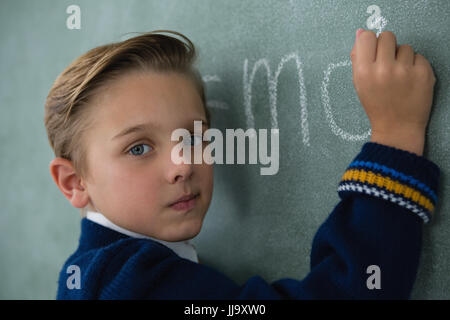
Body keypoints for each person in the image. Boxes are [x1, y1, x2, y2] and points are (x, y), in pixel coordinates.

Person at [45, 29, 440, 299]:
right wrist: (395, 134)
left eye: (194, 137)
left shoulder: (94, 275)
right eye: (138, 149)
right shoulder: (132, 282)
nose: (182, 165)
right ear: (74, 181)